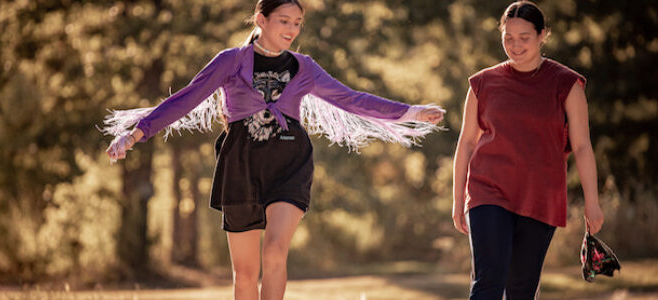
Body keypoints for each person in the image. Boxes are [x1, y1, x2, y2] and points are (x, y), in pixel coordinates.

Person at [104, 1, 444, 299]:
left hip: (289, 165)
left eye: (297, 23)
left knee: (276, 252)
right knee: (245, 274)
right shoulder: (231, 61)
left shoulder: (304, 67)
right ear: (261, 19)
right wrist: (136, 134)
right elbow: (186, 98)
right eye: (284, 21)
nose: (292, 30)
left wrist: (410, 112)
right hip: (240, 166)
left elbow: (352, 99)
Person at [451, 1, 604, 299]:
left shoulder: (566, 84)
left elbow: (582, 146)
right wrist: (458, 200)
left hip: (541, 196)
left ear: (542, 35)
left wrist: (592, 202)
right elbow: (467, 142)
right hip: (487, 191)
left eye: (524, 38)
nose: (515, 45)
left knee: (521, 289)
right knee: (488, 281)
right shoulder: (482, 83)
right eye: (508, 37)